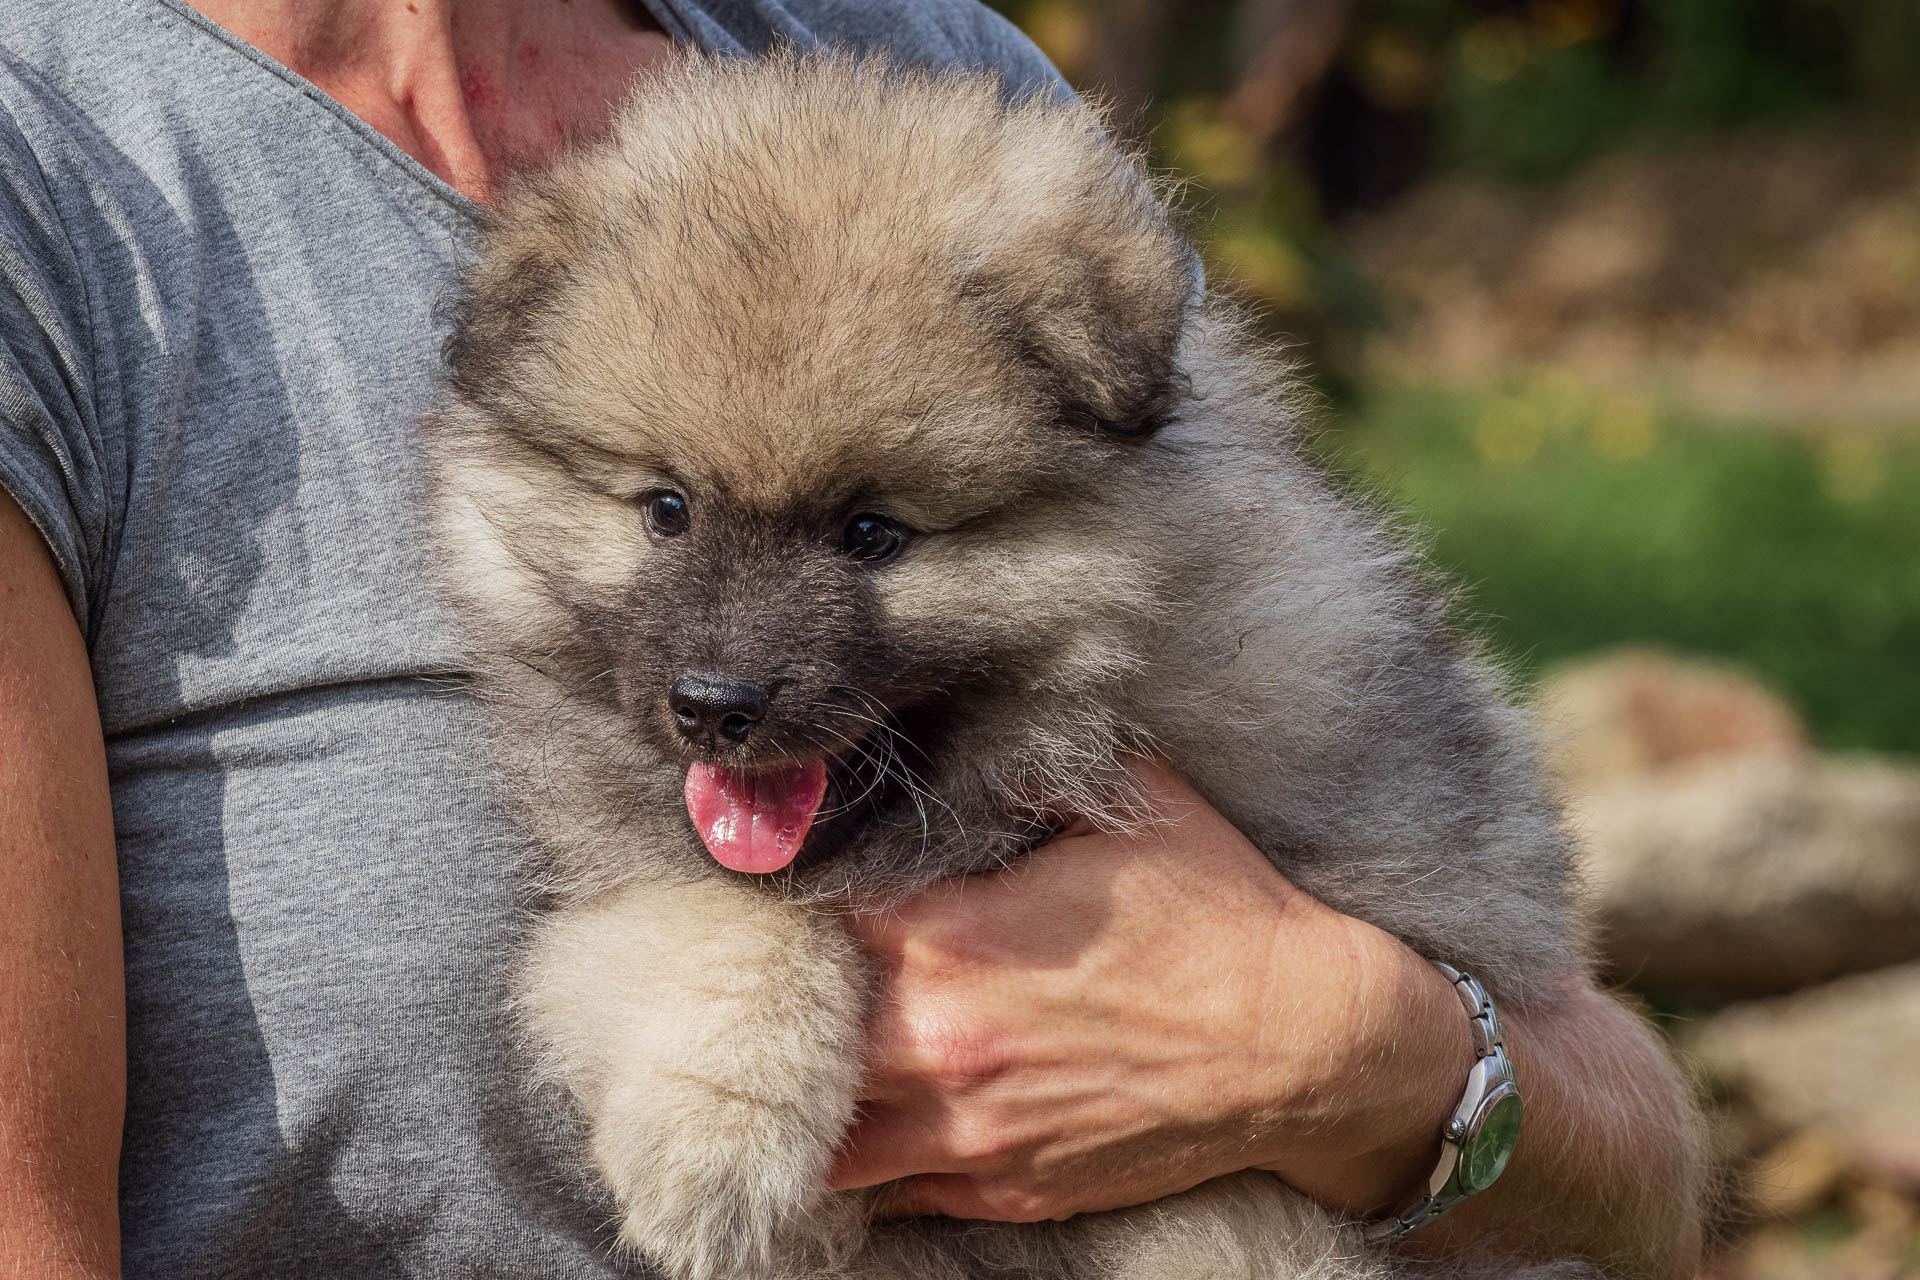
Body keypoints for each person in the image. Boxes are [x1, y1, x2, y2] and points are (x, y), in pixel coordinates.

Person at [0, 2, 1705, 1277]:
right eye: (661, 514)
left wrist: (1353, 1054)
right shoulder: (57, 171)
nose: (724, 670)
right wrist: (745, 982)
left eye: (873, 536)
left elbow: (1630, 1150)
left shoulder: (937, 76)